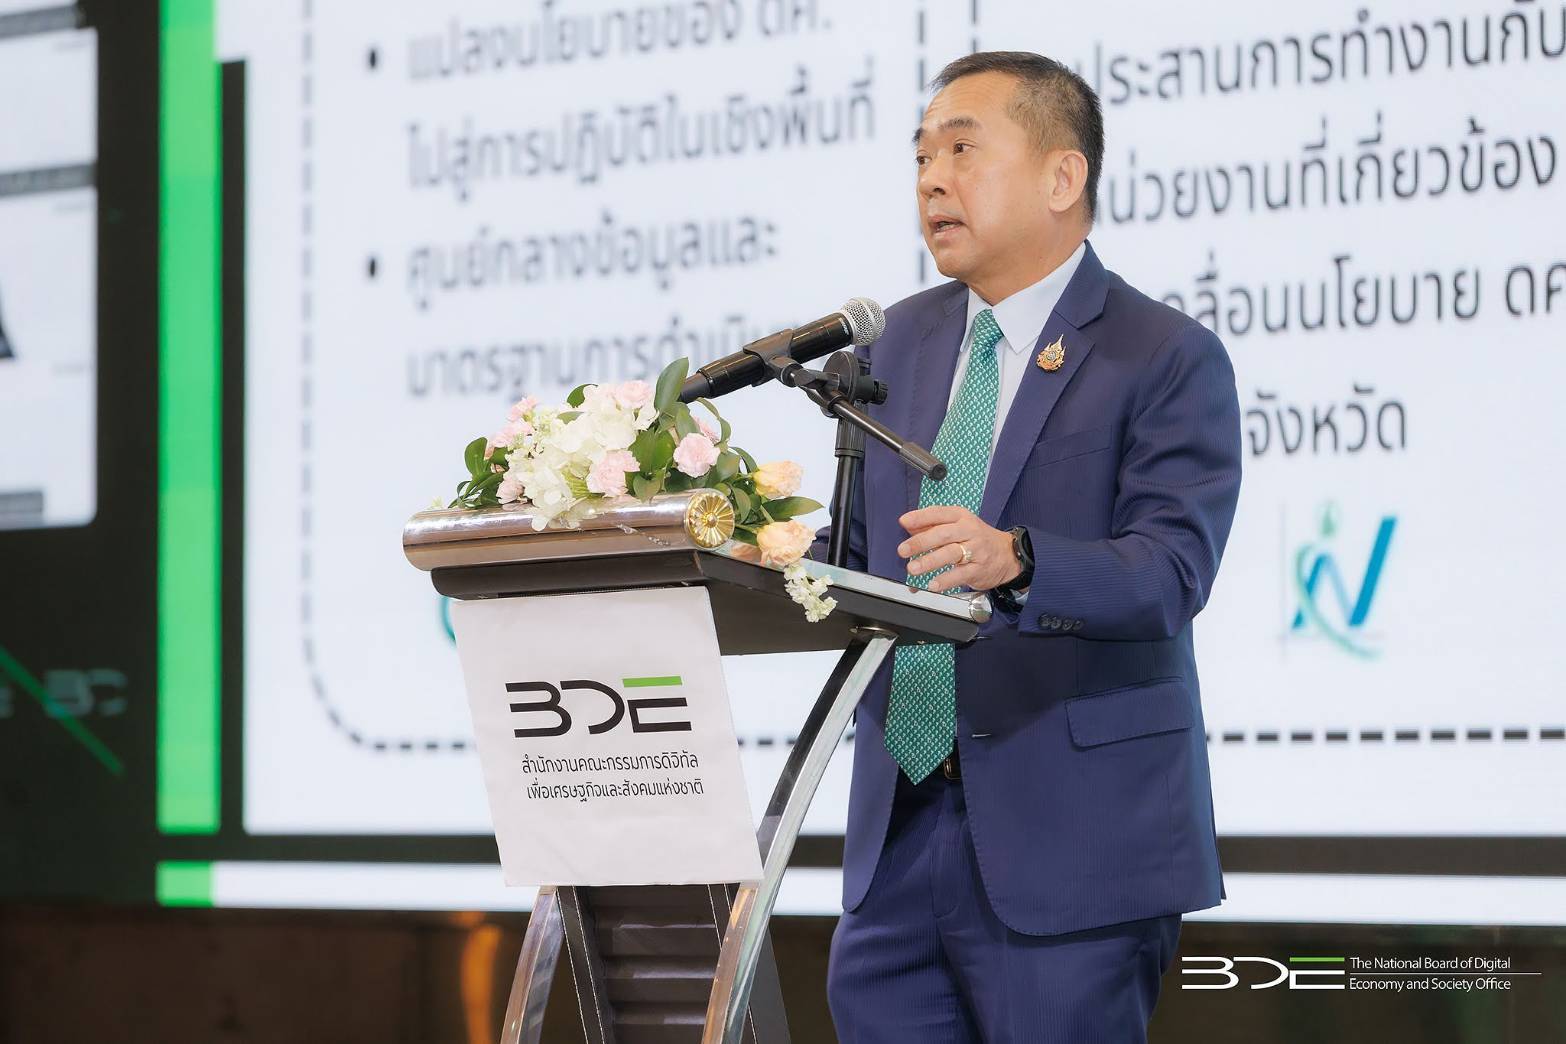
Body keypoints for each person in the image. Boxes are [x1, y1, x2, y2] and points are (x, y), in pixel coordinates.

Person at [813, 51, 1242, 1043]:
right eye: (921, 157)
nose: (932, 180)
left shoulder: (1162, 353)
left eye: (962, 150)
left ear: (1062, 177)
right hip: (898, 836)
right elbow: (857, 555)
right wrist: (752, 549)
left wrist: (1019, 560)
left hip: (1072, 847)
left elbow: (1171, 572)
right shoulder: (887, 347)